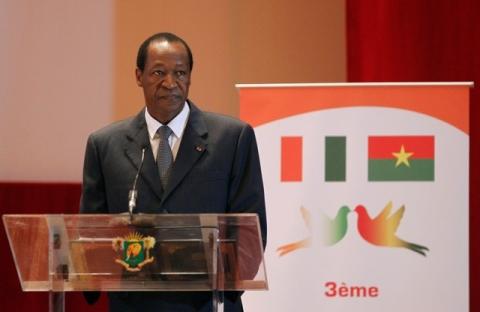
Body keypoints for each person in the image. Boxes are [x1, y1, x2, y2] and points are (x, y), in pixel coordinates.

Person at [79, 32, 267, 312]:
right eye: (158, 72)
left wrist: (227, 284)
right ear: (138, 75)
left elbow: (252, 228)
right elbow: (91, 232)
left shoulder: (232, 138)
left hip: (207, 304)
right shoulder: (105, 144)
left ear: (190, 77)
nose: (170, 83)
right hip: (134, 305)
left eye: (180, 72)